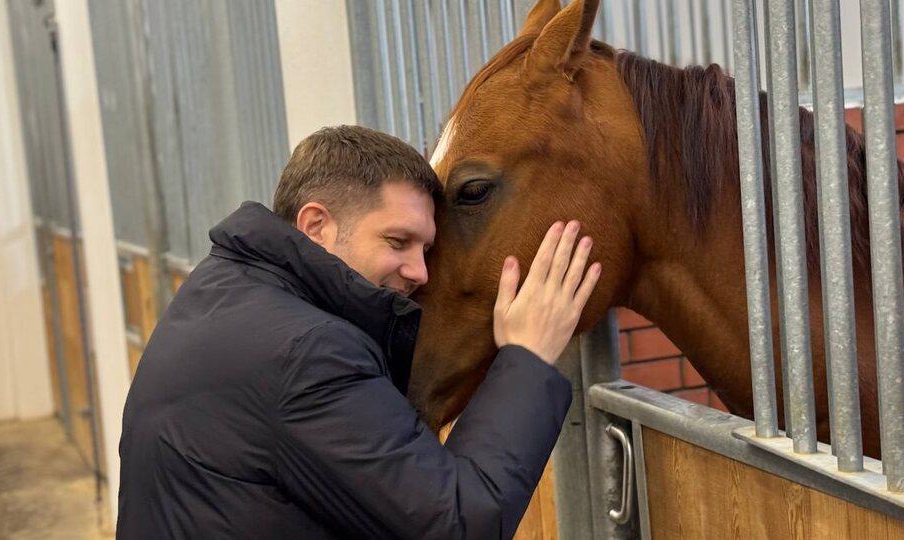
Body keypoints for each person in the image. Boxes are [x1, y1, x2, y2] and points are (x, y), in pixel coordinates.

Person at [116, 125, 601, 539]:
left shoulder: (220, 290)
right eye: (397, 241)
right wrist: (526, 358)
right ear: (316, 226)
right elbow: (458, 522)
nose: (420, 272)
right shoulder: (308, 353)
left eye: (425, 250)